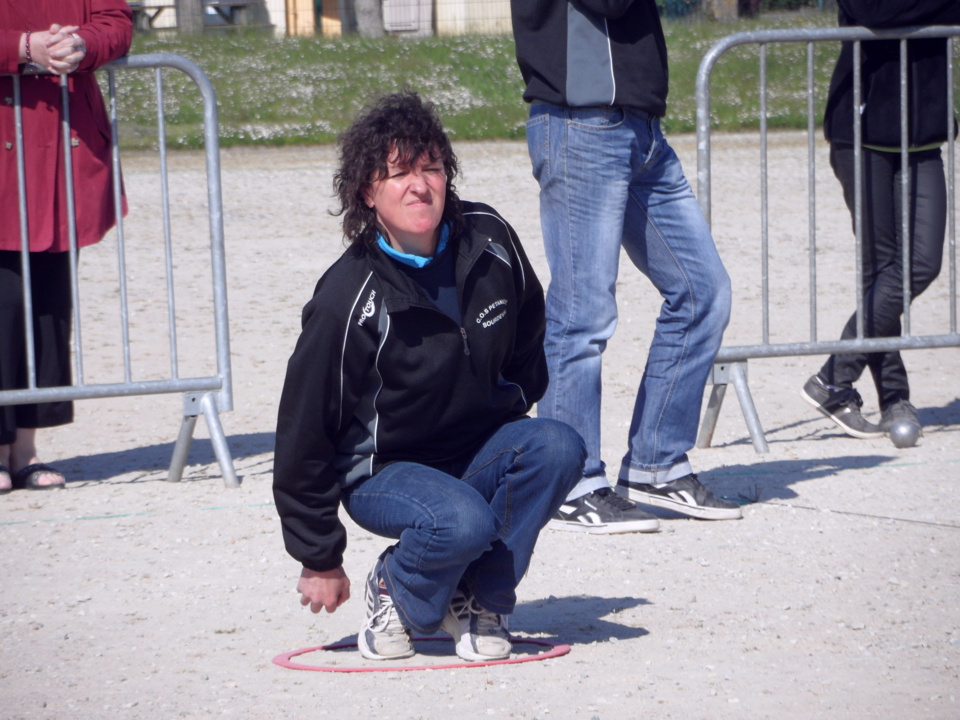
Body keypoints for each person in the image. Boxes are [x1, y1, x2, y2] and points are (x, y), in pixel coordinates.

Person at [273, 91, 585, 662]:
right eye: (398, 174)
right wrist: (318, 554)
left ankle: (480, 598)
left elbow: (530, 328)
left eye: (432, 168)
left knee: (559, 446)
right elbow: (304, 428)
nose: (420, 185)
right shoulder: (348, 297)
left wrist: (512, 397)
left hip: (475, 446)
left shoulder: (489, 238)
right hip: (386, 470)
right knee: (460, 519)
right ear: (368, 191)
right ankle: (396, 589)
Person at [509, 0, 742, 533]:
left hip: (640, 130)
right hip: (580, 123)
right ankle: (572, 479)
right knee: (582, 315)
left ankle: (656, 462)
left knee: (704, 291)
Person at [800, 0, 959, 442]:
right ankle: (893, 398)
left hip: (923, 134)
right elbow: (877, 11)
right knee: (881, 269)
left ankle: (832, 376)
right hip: (862, 132)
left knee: (922, 263)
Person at [0, 1, 133, 494]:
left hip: (64, 145)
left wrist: (82, 45)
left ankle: (25, 449)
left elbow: (115, 21)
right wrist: (21, 47)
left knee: (49, 302)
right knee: (4, 300)